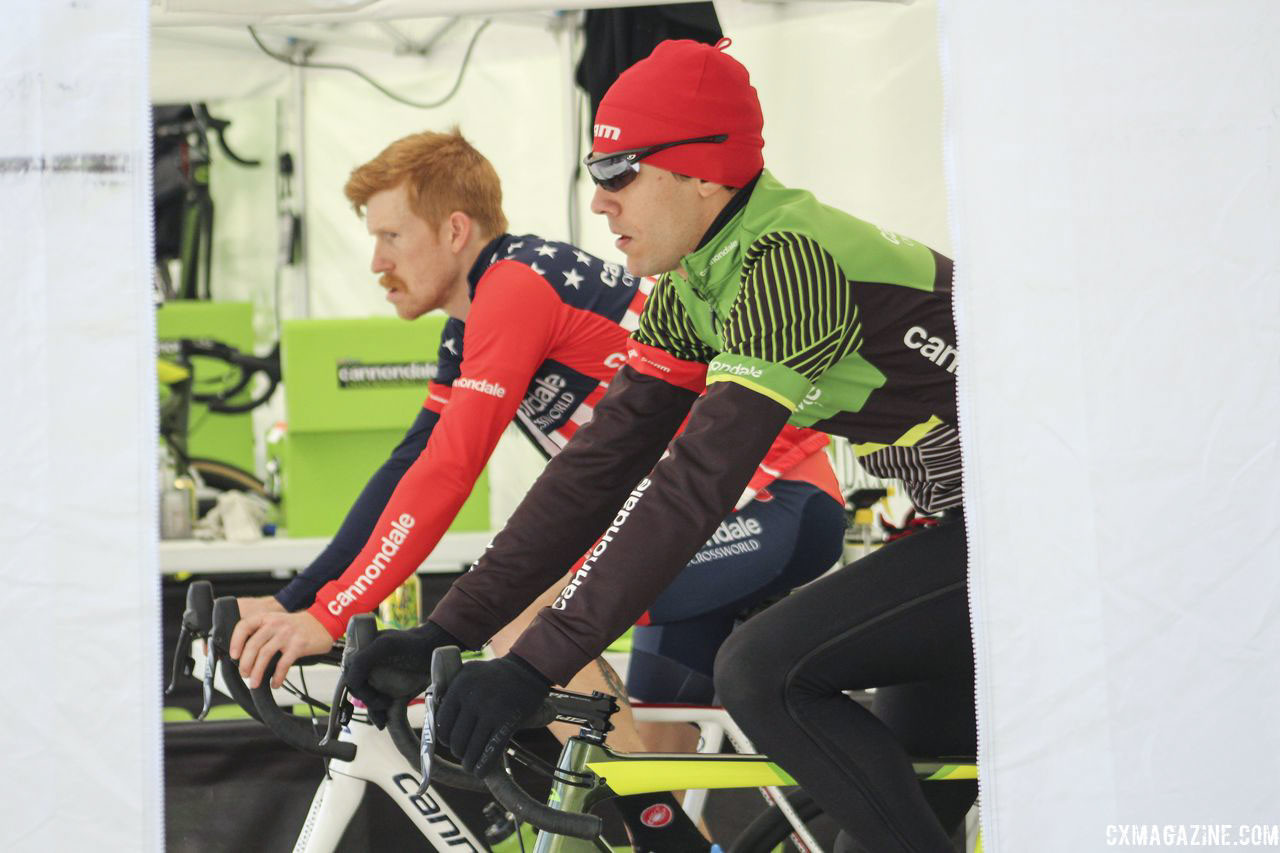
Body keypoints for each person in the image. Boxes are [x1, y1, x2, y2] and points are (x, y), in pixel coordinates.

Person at [349, 41, 974, 852]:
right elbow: (599, 463)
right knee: (911, 793)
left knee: (762, 671)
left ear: (704, 173)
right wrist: (452, 626)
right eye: (594, 171)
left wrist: (534, 664)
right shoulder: (694, 281)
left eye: (620, 173)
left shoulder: (787, 258)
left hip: (1038, 521)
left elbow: (694, 484)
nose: (600, 201)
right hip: (972, 520)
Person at [226, 127, 847, 845]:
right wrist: (294, 598)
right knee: (653, 756)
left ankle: (669, 841)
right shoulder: (475, 316)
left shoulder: (516, 284)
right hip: (701, 519)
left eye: (392, 235)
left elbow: (451, 469)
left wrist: (332, 612)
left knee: (524, 620)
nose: (376, 261)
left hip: (773, 502)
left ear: (456, 230)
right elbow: (409, 462)